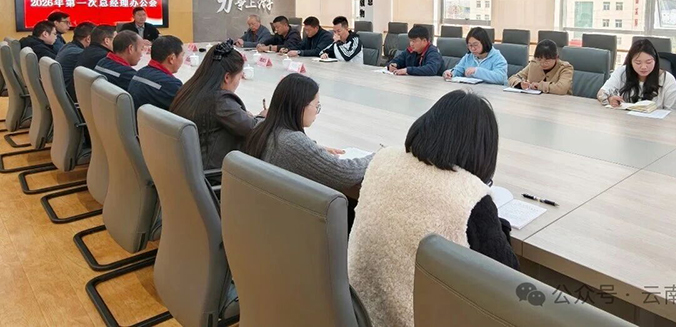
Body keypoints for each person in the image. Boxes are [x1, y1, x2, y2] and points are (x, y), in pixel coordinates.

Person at [348, 90, 518, 327]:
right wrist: (499, 224)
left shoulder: (383, 159)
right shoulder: (469, 195)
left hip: (359, 310)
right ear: (482, 149)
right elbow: (508, 278)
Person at [244, 73, 372, 224]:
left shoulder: (261, 127)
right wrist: (377, 157)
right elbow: (344, 173)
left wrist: (314, 148)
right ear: (300, 106)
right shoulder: (292, 143)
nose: (317, 111)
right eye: (316, 105)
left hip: (263, 218)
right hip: (292, 224)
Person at [170, 42, 267, 170]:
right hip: (213, 174)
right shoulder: (220, 101)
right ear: (227, 77)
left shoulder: (189, 89)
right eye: (239, 77)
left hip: (185, 168)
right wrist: (263, 116)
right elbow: (253, 129)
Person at [597, 39, 676, 111]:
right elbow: (601, 93)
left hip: (656, 124)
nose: (643, 67)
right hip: (625, 121)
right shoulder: (622, 72)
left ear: (655, 61)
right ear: (630, 62)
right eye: (638, 63)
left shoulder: (667, 79)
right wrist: (609, 99)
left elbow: (674, 113)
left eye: (648, 62)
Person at [128, 36, 185, 111]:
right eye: (182, 55)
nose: (182, 59)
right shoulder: (171, 85)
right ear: (172, 58)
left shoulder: (139, 73)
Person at [443, 27, 507, 84]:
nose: (473, 48)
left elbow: (501, 78)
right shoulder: (468, 57)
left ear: (484, 43)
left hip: (492, 91)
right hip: (471, 90)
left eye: (475, 45)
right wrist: (451, 73)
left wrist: (477, 71)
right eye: (470, 45)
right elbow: (458, 70)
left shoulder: (497, 57)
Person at [507, 39, 574, 95]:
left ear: (556, 58)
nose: (542, 63)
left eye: (547, 60)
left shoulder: (565, 68)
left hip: (560, 103)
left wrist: (538, 86)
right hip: (536, 102)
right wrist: (520, 84)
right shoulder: (534, 64)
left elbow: (561, 89)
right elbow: (513, 78)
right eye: (539, 59)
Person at [56, 21, 95, 101]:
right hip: (70, 98)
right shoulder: (79, 54)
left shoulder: (67, 46)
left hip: (61, 94)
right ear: (88, 39)